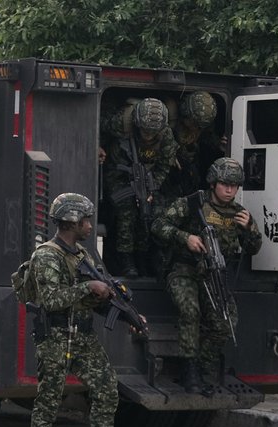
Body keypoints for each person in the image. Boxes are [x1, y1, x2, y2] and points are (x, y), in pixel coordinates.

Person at [26, 193, 132, 427]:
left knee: (107, 390)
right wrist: (88, 286)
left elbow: (95, 301)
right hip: (56, 337)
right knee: (48, 401)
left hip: (83, 336)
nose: (89, 225)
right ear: (71, 221)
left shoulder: (82, 255)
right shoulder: (47, 255)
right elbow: (50, 299)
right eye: (85, 220)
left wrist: (120, 311)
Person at [151, 157, 262, 393]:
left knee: (226, 323)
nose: (230, 190)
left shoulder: (240, 213)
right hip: (185, 269)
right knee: (190, 311)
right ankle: (188, 370)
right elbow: (158, 225)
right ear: (213, 183)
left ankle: (204, 367)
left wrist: (250, 229)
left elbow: (254, 249)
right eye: (225, 184)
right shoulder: (193, 203)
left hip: (215, 276)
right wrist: (185, 238)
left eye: (234, 186)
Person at [102, 98, 179, 277]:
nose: (148, 136)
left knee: (149, 211)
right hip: (117, 172)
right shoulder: (121, 123)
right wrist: (99, 146)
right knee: (127, 209)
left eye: (153, 133)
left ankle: (143, 256)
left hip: (146, 177)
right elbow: (97, 126)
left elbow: (164, 166)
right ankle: (126, 259)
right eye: (145, 131)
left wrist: (151, 189)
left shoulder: (166, 135)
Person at [166, 91, 227, 196]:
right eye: (194, 123)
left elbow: (206, 137)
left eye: (200, 126)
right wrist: (168, 153)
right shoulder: (171, 120)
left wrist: (218, 144)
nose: (196, 128)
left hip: (190, 164)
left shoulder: (202, 123)